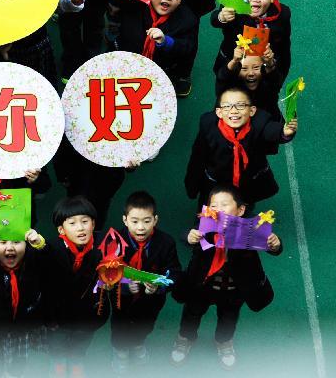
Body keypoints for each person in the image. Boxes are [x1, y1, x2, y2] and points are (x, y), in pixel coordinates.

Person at [171, 185, 282, 370]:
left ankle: (223, 342)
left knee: (228, 319)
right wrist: (188, 237)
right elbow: (185, 235)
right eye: (214, 205)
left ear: (240, 210)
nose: (218, 209)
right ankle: (185, 338)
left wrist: (275, 244)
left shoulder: (251, 231)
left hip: (233, 290)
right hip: (202, 287)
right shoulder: (204, 227)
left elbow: (272, 247)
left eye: (224, 204)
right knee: (191, 314)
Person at [185, 87, 298, 207]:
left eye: (240, 105)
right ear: (219, 112)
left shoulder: (261, 122)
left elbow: (272, 131)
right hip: (216, 181)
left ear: (252, 110)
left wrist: (284, 132)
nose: (233, 111)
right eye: (227, 106)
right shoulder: (208, 125)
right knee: (209, 208)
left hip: (248, 182)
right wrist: (192, 186)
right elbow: (198, 156)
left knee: (244, 205)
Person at [110, 191, 181, 372]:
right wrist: (124, 286)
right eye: (134, 221)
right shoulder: (113, 241)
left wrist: (158, 288)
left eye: (146, 221)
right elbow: (105, 272)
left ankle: (138, 344)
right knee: (119, 326)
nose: (140, 227)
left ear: (155, 220)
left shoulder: (166, 242)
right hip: (121, 299)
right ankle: (120, 352)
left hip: (151, 300)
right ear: (125, 220)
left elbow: (174, 272)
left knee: (146, 324)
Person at [0, 225, 50, 378]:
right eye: (3, 242)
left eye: (17, 242)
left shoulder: (33, 258)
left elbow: (49, 257)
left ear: (27, 244)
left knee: (19, 361)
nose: (10, 247)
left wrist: (39, 243)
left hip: (23, 324)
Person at [112, 0, 198, 94]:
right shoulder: (137, 2)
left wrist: (166, 42)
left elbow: (187, 48)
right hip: (125, 61)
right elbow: (119, 1)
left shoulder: (187, 19)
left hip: (160, 72)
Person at [48, 196, 106, 375]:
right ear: (61, 229)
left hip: (88, 313)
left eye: (85, 221)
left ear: (93, 224)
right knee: (57, 342)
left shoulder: (105, 247)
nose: (80, 227)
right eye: (72, 223)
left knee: (82, 341)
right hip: (58, 314)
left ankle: (76, 360)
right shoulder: (50, 249)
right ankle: (58, 361)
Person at [211, 0, 292, 80]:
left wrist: (279, 71)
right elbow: (214, 20)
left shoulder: (282, 13)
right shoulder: (232, 7)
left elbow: (284, 46)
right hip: (232, 63)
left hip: (262, 69)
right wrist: (222, 17)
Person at [215, 45, 284, 121]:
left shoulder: (268, 85)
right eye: (244, 68)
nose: (251, 73)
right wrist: (234, 61)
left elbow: (275, 81)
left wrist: (269, 64)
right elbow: (222, 79)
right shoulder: (230, 85)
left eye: (256, 68)